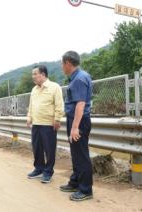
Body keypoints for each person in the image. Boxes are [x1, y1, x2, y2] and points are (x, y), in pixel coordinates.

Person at [59, 51, 93, 201]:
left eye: (62, 64)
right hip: (75, 120)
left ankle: (85, 190)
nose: (61, 67)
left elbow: (80, 104)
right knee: (75, 153)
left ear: (67, 63)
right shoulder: (77, 77)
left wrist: (74, 127)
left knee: (81, 155)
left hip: (78, 121)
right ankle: (75, 182)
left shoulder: (79, 78)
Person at [27, 65, 64, 183]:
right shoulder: (34, 89)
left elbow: (59, 105)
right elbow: (31, 105)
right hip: (36, 123)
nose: (33, 76)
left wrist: (57, 119)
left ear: (42, 74)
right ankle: (39, 168)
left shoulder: (54, 87)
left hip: (48, 124)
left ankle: (48, 172)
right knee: (36, 148)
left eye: (35, 74)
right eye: (32, 74)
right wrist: (29, 117)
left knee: (49, 149)